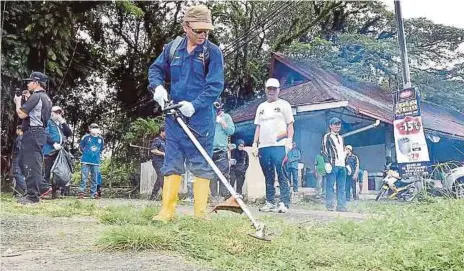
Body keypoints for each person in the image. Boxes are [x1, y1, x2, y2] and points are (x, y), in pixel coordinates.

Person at [148, 5, 224, 221]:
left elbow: (215, 85)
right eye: (198, 30)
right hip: (174, 117)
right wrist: (158, 88)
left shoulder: (212, 53)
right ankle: (167, 211)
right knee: (172, 160)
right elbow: (155, 70)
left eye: (206, 31)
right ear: (185, 27)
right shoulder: (173, 48)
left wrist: (196, 104)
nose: (203, 35)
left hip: (200, 119)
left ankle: (200, 214)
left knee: (201, 162)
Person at [252, 78, 294, 213]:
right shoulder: (261, 107)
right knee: (268, 175)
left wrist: (289, 140)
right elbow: (258, 127)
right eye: (269, 88)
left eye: (274, 89)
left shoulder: (284, 105)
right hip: (264, 146)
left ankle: (284, 202)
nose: (271, 91)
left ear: (278, 90)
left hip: (279, 145)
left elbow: (290, 124)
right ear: (265, 89)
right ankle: (270, 202)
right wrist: (255, 143)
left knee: (281, 173)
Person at [13, 72, 52, 204]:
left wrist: (18, 102)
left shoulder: (36, 97)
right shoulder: (46, 98)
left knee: (31, 164)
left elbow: (22, 114)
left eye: (30, 82)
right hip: (40, 132)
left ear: (36, 83)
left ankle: (33, 196)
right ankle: (39, 189)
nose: (28, 84)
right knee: (25, 162)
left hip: (33, 132)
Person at [42, 106, 72, 199]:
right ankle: (43, 191)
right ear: (51, 112)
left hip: (59, 152)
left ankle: (56, 193)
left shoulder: (59, 124)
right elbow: (45, 134)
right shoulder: (48, 122)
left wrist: (62, 121)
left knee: (58, 172)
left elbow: (68, 133)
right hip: (49, 150)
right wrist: (53, 143)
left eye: (59, 112)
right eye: (55, 112)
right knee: (46, 171)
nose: (57, 114)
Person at [210, 101, 235, 199]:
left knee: (223, 175)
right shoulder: (209, 117)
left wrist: (222, 122)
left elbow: (231, 131)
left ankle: (223, 198)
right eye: (214, 105)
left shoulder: (227, 117)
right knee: (211, 176)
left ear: (221, 105)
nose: (216, 107)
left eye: (217, 104)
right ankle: (214, 197)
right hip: (210, 151)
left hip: (221, 150)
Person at [322, 117, 347, 211]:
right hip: (332, 165)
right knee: (330, 186)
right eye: (335, 124)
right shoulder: (327, 136)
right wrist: (327, 163)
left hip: (342, 165)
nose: (338, 126)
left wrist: (346, 163)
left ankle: (341, 206)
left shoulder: (341, 138)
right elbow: (324, 151)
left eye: (339, 124)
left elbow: (343, 151)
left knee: (342, 187)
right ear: (330, 126)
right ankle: (329, 205)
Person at [78, 123, 104, 199]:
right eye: (93, 128)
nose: (94, 129)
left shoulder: (100, 139)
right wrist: (86, 153)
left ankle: (94, 193)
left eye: (96, 128)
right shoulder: (85, 137)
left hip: (96, 161)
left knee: (94, 178)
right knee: (84, 177)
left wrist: (96, 155)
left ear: (98, 129)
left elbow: (101, 148)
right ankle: (81, 192)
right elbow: (81, 146)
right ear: (90, 129)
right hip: (85, 160)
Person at [149, 126, 166, 200]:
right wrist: (163, 153)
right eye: (166, 131)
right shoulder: (157, 140)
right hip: (157, 162)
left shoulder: (166, 141)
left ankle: (153, 196)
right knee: (162, 177)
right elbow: (153, 150)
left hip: (164, 162)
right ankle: (165, 196)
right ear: (162, 132)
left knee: (160, 178)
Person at [12, 125, 26, 196]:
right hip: (24, 158)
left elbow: (20, 149)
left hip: (18, 157)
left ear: (19, 130)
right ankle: (17, 192)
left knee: (16, 173)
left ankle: (25, 189)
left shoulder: (19, 138)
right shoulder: (26, 138)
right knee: (21, 174)